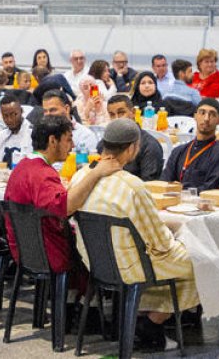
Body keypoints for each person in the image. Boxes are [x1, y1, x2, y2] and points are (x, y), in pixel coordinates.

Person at [70, 119, 200, 352]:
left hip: (95, 263)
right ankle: (151, 322)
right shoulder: (134, 187)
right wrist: (181, 242)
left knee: (162, 261)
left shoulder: (81, 176)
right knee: (202, 263)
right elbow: (160, 243)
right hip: (133, 267)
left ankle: (140, 320)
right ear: (131, 148)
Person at [4, 115, 123, 290]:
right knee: (102, 249)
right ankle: (92, 309)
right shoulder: (42, 173)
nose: (72, 146)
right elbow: (65, 208)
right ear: (53, 141)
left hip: (25, 250)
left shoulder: (23, 165)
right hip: (48, 252)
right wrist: (96, 173)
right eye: (68, 140)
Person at [160, 98, 219, 190]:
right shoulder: (179, 151)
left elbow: (212, 187)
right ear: (195, 116)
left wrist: (181, 189)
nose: (206, 118)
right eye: (202, 113)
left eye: (212, 114)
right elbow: (164, 182)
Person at [103, 95, 163, 181]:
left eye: (121, 113)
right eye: (112, 115)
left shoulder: (149, 145)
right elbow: (93, 166)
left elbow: (149, 184)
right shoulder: (106, 141)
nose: (116, 119)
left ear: (133, 112)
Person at [0, 95, 33, 165]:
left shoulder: (33, 134)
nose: (10, 120)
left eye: (14, 114)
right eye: (5, 116)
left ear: (21, 111)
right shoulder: (0, 135)